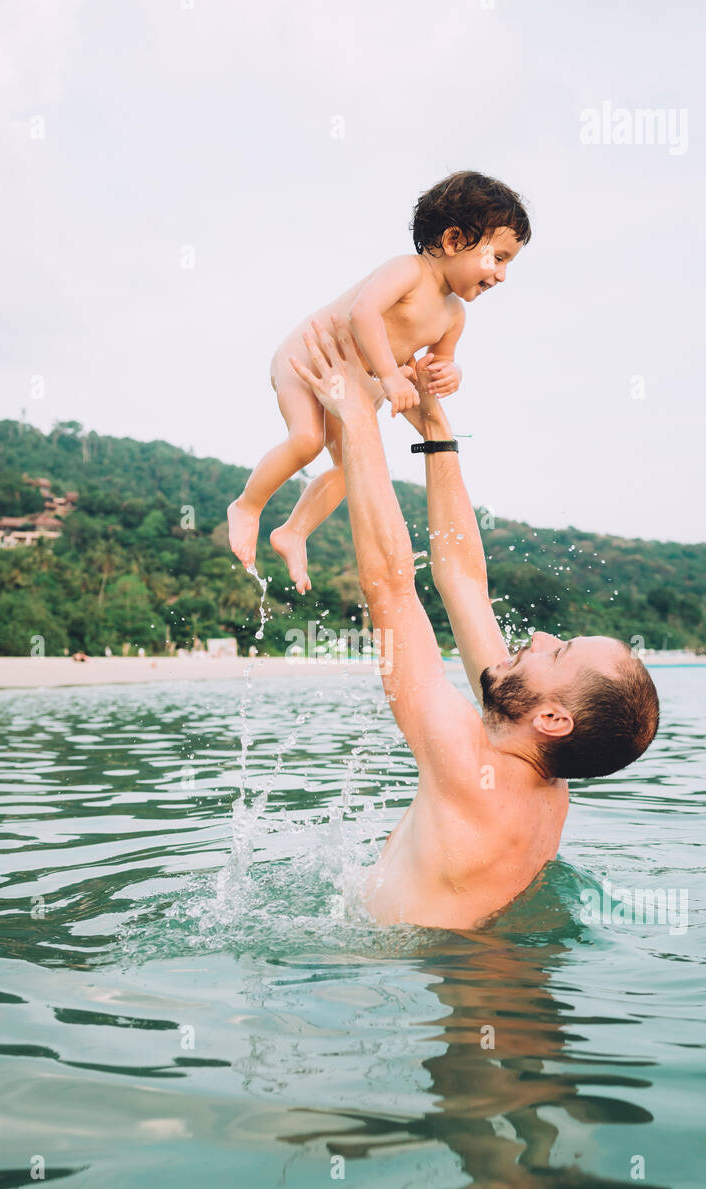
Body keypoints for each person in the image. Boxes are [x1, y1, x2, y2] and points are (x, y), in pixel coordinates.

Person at [291, 319, 660, 931]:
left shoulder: (470, 771)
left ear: (552, 718)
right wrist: (437, 434)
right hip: (481, 978)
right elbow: (462, 583)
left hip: (393, 970)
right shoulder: (544, 776)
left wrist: (356, 418)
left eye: (559, 651)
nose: (539, 638)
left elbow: (388, 586)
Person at [227, 171, 530, 593]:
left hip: (349, 390)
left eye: (508, 263)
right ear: (453, 240)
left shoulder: (454, 316)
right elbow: (362, 314)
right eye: (498, 257)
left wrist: (450, 374)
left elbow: (436, 367)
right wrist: (389, 376)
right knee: (307, 439)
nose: (501, 274)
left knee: (347, 469)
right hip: (307, 358)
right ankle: (248, 506)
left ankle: (293, 531)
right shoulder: (407, 271)